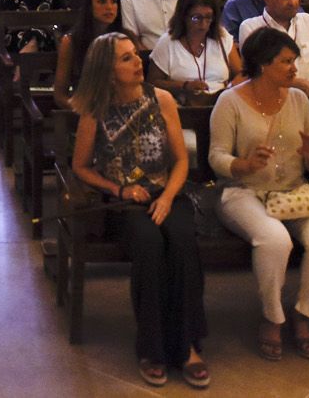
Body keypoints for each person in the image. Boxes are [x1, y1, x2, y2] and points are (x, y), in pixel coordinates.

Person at [70, 33, 209, 388]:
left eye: (136, 55)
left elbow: (180, 161)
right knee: (148, 244)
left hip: (169, 193)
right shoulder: (94, 108)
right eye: (127, 59)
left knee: (181, 240)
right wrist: (119, 189)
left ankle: (189, 345)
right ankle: (152, 347)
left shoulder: (161, 99)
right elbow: (81, 166)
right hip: (126, 201)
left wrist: (165, 198)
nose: (138, 63)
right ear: (108, 69)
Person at [208, 27, 309, 362]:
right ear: (263, 64)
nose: (294, 69)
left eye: (294, 61)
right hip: (243, 191)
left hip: (294, 192)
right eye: (286, 62)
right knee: (274, 240)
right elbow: (216, 156)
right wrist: (244, 164)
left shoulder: (298, 99)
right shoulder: (230, 101)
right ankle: (272, 317)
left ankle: (305, 315)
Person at [148, 0, 239, 102]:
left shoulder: (222, 37)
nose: (204, 24)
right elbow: (153, 83)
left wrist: (229, 89)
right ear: (183, 17)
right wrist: (184, 86)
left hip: (221, 102)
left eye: (208, 17)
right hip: (184, 107)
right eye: (197, 18)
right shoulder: (167, 42)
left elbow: (241, 74)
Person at [55, 0, 122, 108]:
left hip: (120, 107)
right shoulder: (70, 41)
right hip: (86, 108)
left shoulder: (125, 38)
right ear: (89, 7)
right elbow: (60, 95)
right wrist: (80, 109)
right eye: (102, 1)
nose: (109, 7)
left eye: (114, 1)